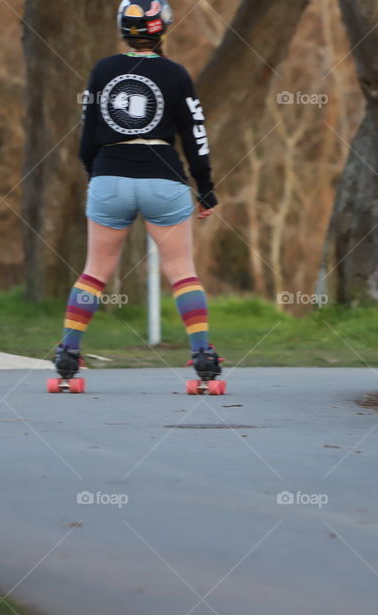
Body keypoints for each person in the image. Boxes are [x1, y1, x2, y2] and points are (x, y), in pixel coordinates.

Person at [54, 0, 222, 384]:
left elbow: (86, 137)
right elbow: (195, 137)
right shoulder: (177, 75)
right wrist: (206, 189)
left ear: (122, 28)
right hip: (164, 179)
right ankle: (203, 358)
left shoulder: (102, 71)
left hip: (109, 177)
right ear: (161, 28)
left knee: (94, 271)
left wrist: (96, 175)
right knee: (182, 272)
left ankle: (67, 354)